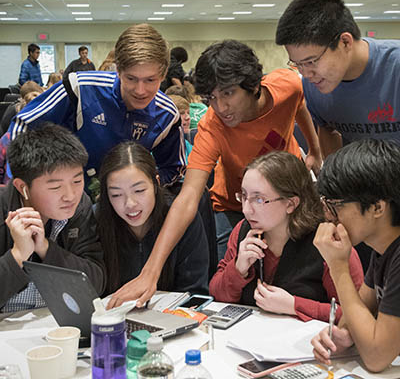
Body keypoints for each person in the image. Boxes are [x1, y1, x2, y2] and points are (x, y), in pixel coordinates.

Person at [108, 39, 322, 307]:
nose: (221, 108)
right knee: (227, 287)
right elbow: (188, 199)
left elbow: (298, 104)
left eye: (229, 94)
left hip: (287, 201)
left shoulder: (286, 85)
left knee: (299, 278)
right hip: (233, 208)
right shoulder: (213, 126)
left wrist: (315, 150)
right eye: (211, 99)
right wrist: (150, 273)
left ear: (253, 86)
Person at [0, 24, 185, 196]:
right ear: (118, 70)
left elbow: (173, 168)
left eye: (150, 80)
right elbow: (22, 126)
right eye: (131, 79)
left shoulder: (167, 115)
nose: (140, 90)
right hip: (65, 199)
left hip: (123, 206)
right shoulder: (79, 88)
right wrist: (19, 190)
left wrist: (150, 183)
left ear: (163, 75)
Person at [209, 151, 363, 322]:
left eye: (258, 200)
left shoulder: (327, 240)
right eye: (244, 196)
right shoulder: (243, 231)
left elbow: (357, 316)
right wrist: (237, 270)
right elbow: (217, 295)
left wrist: (294, 305)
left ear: (291, 204)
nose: (246, 209)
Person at [275, 0, 400, 159]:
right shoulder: (314, 84)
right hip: (362, 180)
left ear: (345, 42)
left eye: (311, 61)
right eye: (298, 64)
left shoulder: (394, 66)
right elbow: (327, 128)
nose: (305, 73)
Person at [311, 139, 400, 372]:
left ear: (377, 207)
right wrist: (343, 337)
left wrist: (338, 267)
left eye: (335, 205)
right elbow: (354, 316)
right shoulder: (383, 249)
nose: (329, 216)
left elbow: (376, 358)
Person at [0, 123, 106, 312]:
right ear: (22, 187)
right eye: (55, 187)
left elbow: (96, 282)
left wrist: (46, 248)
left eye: (77, 181)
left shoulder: (80, 206)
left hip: (57, 324)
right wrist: (18, 255)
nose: (70, 195)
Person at [97, 142, 209, 299]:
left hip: (171, 318)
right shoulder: (97, 220)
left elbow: (195, 292)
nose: (130, 204)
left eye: (139, 191)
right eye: (116, 195)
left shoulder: (181, 218)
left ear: (156, 183)